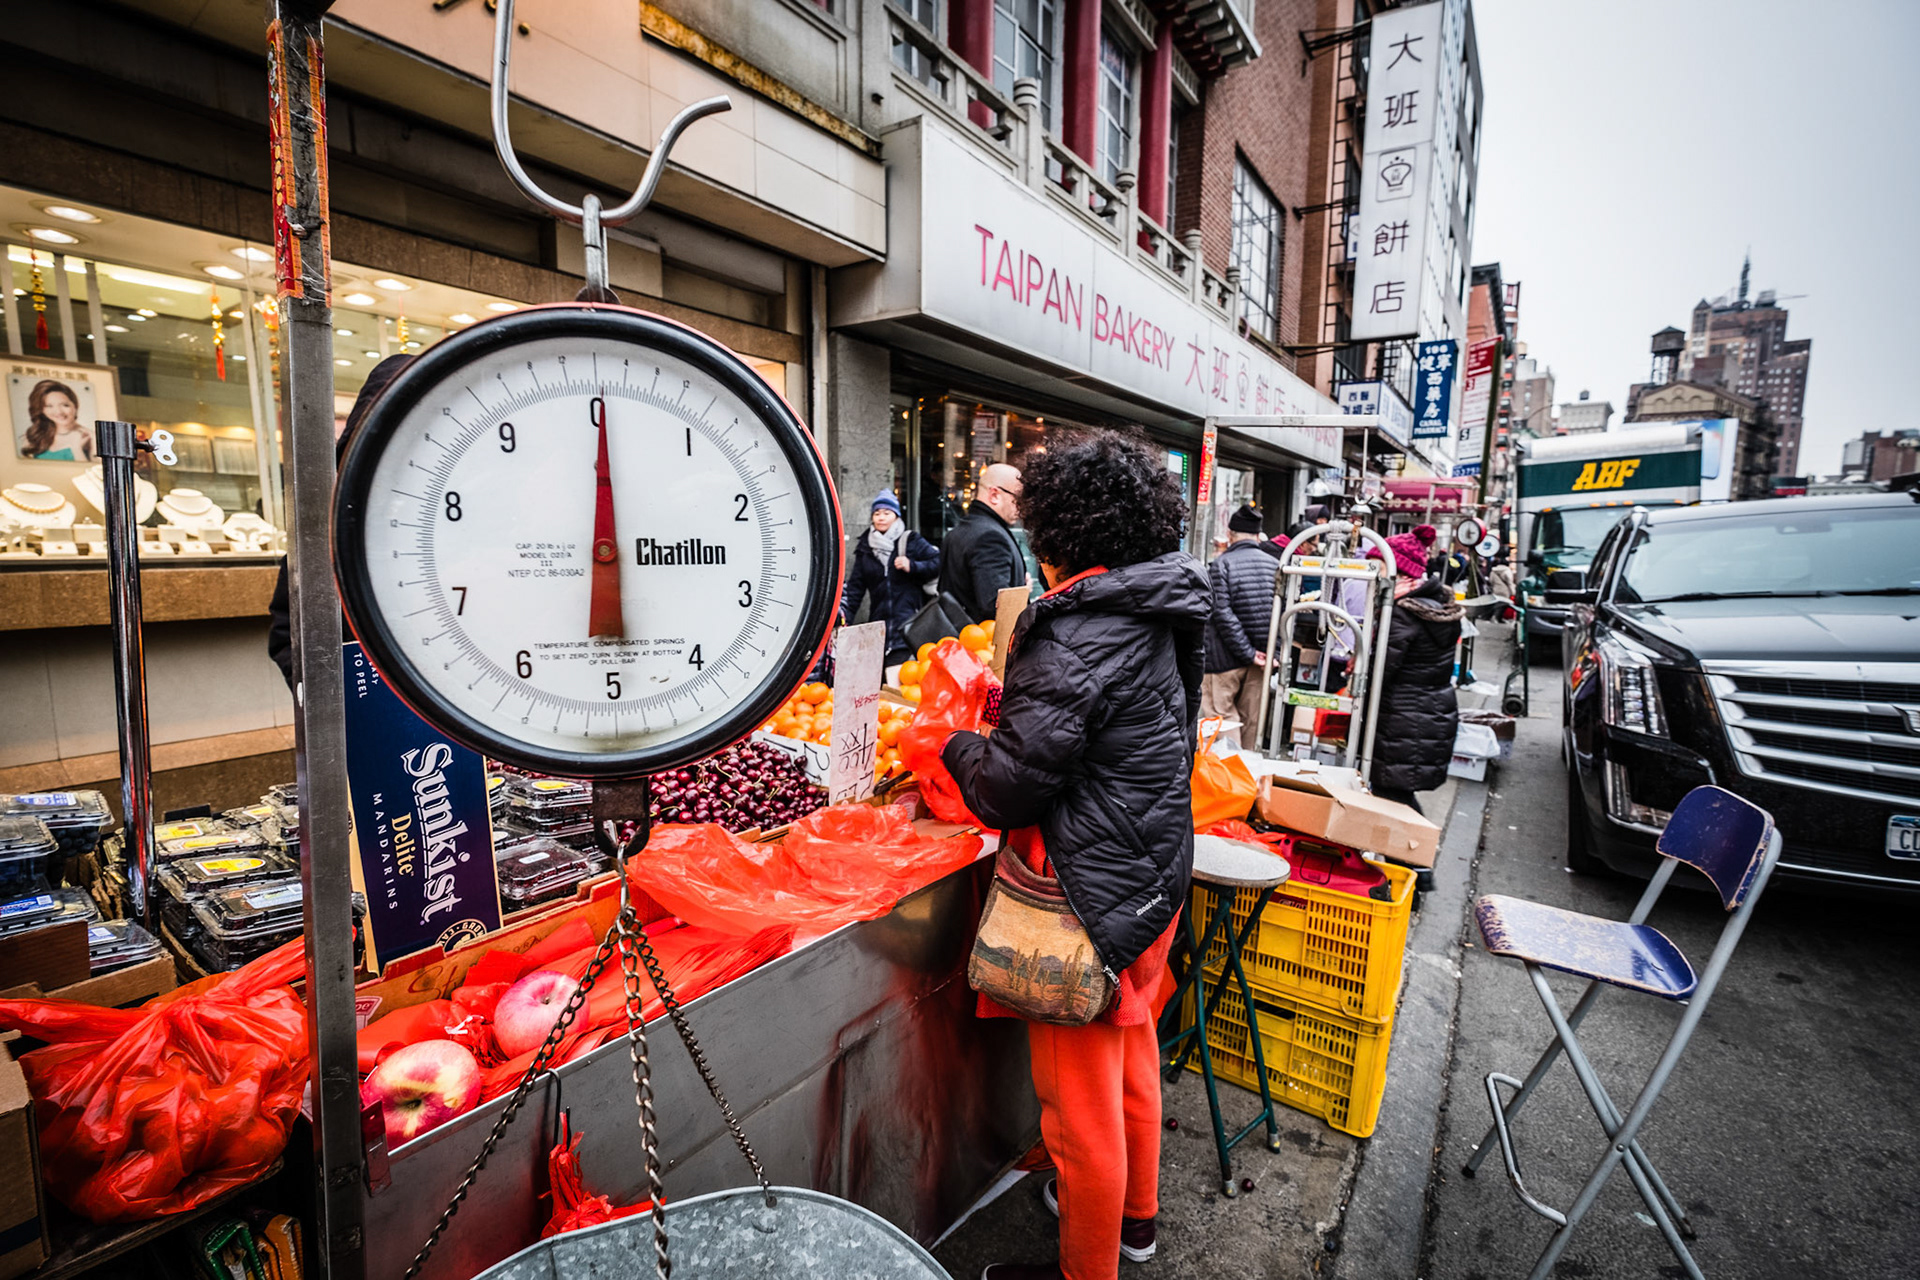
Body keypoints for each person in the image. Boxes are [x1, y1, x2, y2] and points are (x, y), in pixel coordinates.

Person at [941, 430, 1207, 1280]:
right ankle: (1136, 1225)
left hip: (1085, 899)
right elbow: (1106, 735)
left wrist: (953, 743)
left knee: (1076, 1114)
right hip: (1147, 876)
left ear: (1056, 540)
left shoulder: (1077, 633)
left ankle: (1085, 1268)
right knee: (1133, 1064)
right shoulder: (1153, 614)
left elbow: (1005, 791)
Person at [268, 355, 413, 690]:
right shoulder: (327, 526)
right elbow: (287, 629)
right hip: (361, 707)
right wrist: (330, 699)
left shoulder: (475, 521)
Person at [1371, 530, 1463, 814]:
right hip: (1427, 713)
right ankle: (1407, 854)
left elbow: (1380, 671)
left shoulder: (1402, 613)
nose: (1375, 576)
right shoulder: (1432, 606)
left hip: (1404, 717)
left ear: (1399, 572)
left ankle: (1410, 856)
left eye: (1381, 568)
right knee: (1396, 793)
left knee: (1392, 795)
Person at [1201, 503, 1281, 749]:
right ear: (1258, 536)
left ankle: (1228, 781)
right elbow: (1282, 613)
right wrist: (1271, 653)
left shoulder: (1221, 565)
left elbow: (1222, 613)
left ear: (1230, 535)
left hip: (1222, 660)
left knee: (1220, 719)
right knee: (1251, 722)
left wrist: (1246, 652)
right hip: (1262, 658)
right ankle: (1249, 781)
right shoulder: (1275, 565)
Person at [839, 489, 940, 676]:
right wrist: (844, 623)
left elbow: (938, 562)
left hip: (909, 625)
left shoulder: (910, 540)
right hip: (879, 630)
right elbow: (855, 590)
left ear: (896, 515)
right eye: (877, 513)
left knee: (902, 683)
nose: (881, 518)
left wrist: (913, 566)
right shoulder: (865, 548)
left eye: (887, 513)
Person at [938, 461, 1029, 623]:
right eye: (1018, 498)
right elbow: (995, 605)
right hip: (982, 642)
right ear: (994, 495)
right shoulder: (991, 537)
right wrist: (1022, 592)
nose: (1021, 508)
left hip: (960, 641)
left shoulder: (960, 530)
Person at [21, 380, 93, 461]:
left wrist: (77, 449)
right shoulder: (35, 435)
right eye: (49, 406)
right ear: (41, 410)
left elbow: (97, 472)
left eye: (65, 405)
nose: (59, 412)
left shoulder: (91, 437)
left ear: (75, 405)